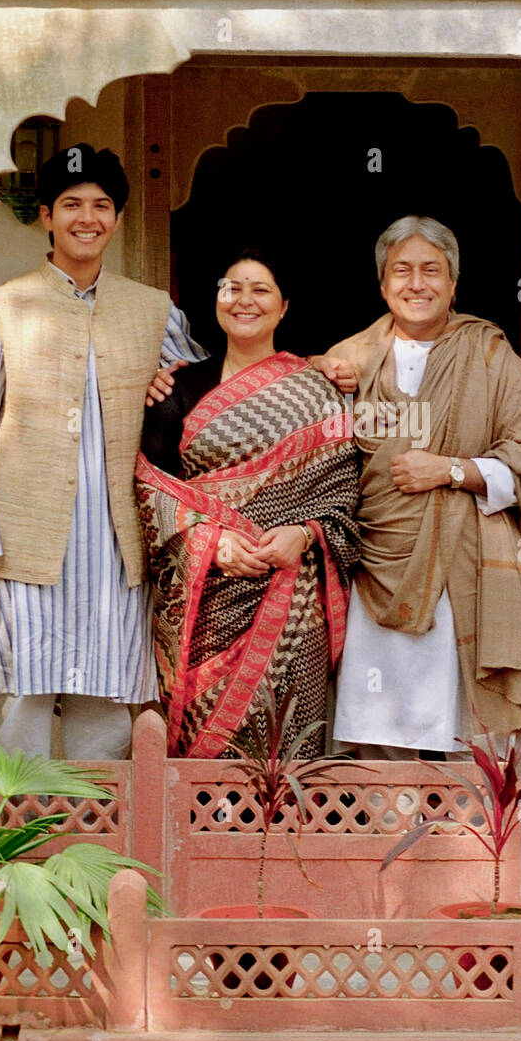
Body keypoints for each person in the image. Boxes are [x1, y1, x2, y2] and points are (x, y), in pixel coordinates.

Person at [0, 143, 207, 760]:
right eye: (71, 204)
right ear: (45, 215)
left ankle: (97, 851)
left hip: (117, 552)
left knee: (107, 712)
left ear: (116, 219)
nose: (86, 218)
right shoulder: (6, 307)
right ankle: (14, 856)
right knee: (22, 712)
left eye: (100, 205)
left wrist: (170, 394)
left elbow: (212, 403)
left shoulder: (152, 310)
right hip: (23, 551)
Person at [317, 216, 521, 757]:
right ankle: (388, 833)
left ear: (454, 284)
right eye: (402, 271)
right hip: (370, 570)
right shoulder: (347, 359)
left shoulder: (490, 355)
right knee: (378, 732)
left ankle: (471, 840)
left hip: (461, 564)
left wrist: (450, 470)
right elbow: (309, 457)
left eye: (432, 271)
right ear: (382, 285)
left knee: (462, 732)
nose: (417, 283)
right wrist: (318, 376)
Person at [137, 250, 360, 759]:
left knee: (287, 744)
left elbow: (344, 498)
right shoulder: (176, 388)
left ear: (283, 307)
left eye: (260, 290)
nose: (244, 300)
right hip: (205, 597)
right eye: (231, 287)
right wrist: (209, 543)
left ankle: (286, 837)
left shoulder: (318, 392)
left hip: (294, 598)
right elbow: (152, 490)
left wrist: (303, 536)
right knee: (202, 737)